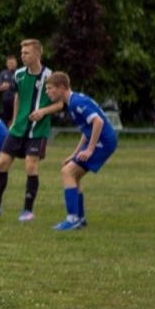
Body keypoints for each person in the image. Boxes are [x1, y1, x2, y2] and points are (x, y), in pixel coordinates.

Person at [0, 39, 51, 223]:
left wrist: (43, 111)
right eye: (22, 52)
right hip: (18, 128)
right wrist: (15, 119)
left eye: (26, 53)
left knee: (30, 165)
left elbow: (61, 102)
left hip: (38, 130)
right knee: (2, 163)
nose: (22, 56)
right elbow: (18, 96)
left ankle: (28, 210)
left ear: (37, 54)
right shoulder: (18, 74)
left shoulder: (49, 77)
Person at [43, 71, 117, 231]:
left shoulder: (76, 102)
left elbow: (98, 122)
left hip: (103, 142)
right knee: (73, 174)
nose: (47, 92)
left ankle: (72, 218)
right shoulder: (72, 102)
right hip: (100, 141)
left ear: (62, 87)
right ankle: (80, 219)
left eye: (50, 88)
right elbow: (87, 129)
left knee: (67, 172)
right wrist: (75, 154)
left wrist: (90, 150)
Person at [0, 55, 19, 122]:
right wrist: (2, 87)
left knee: (16, 118)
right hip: (5, 100)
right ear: (6, 64)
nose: (10, 65)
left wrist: (9, 86)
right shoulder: (3, 73)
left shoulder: (19, 73)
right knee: (7, 119)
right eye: (9, 63)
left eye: (12, 63)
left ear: (16, 63)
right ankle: (9, 132)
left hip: (16, 100)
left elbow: (20, 86)